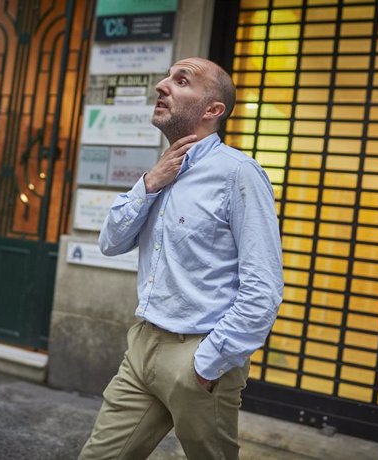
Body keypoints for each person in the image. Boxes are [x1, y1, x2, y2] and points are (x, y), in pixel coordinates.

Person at [78, 57, 284, 460]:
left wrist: (209, 363)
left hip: (200, 354)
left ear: (212, 110)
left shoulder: (239, 174)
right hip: (142, 348)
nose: (161, 85)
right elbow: (111, 242)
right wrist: (150, 183)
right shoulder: (161, 171)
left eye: (181, 80)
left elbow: (263, 288)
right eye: (167, 76)